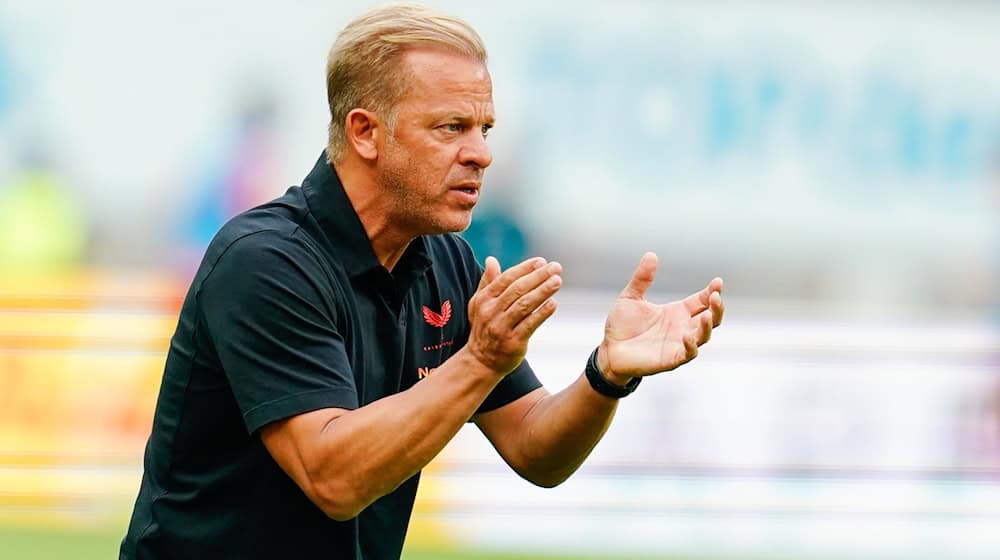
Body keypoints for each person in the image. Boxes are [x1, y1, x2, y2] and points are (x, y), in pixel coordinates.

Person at [120, 4, 724, 559]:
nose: (480, 153)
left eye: (483, 129)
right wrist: (481, 359)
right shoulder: (265, 260)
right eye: (450, 127)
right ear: (365, 132)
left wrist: (605, 375)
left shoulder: (446, 262)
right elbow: (334, 477)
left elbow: (535, 448)